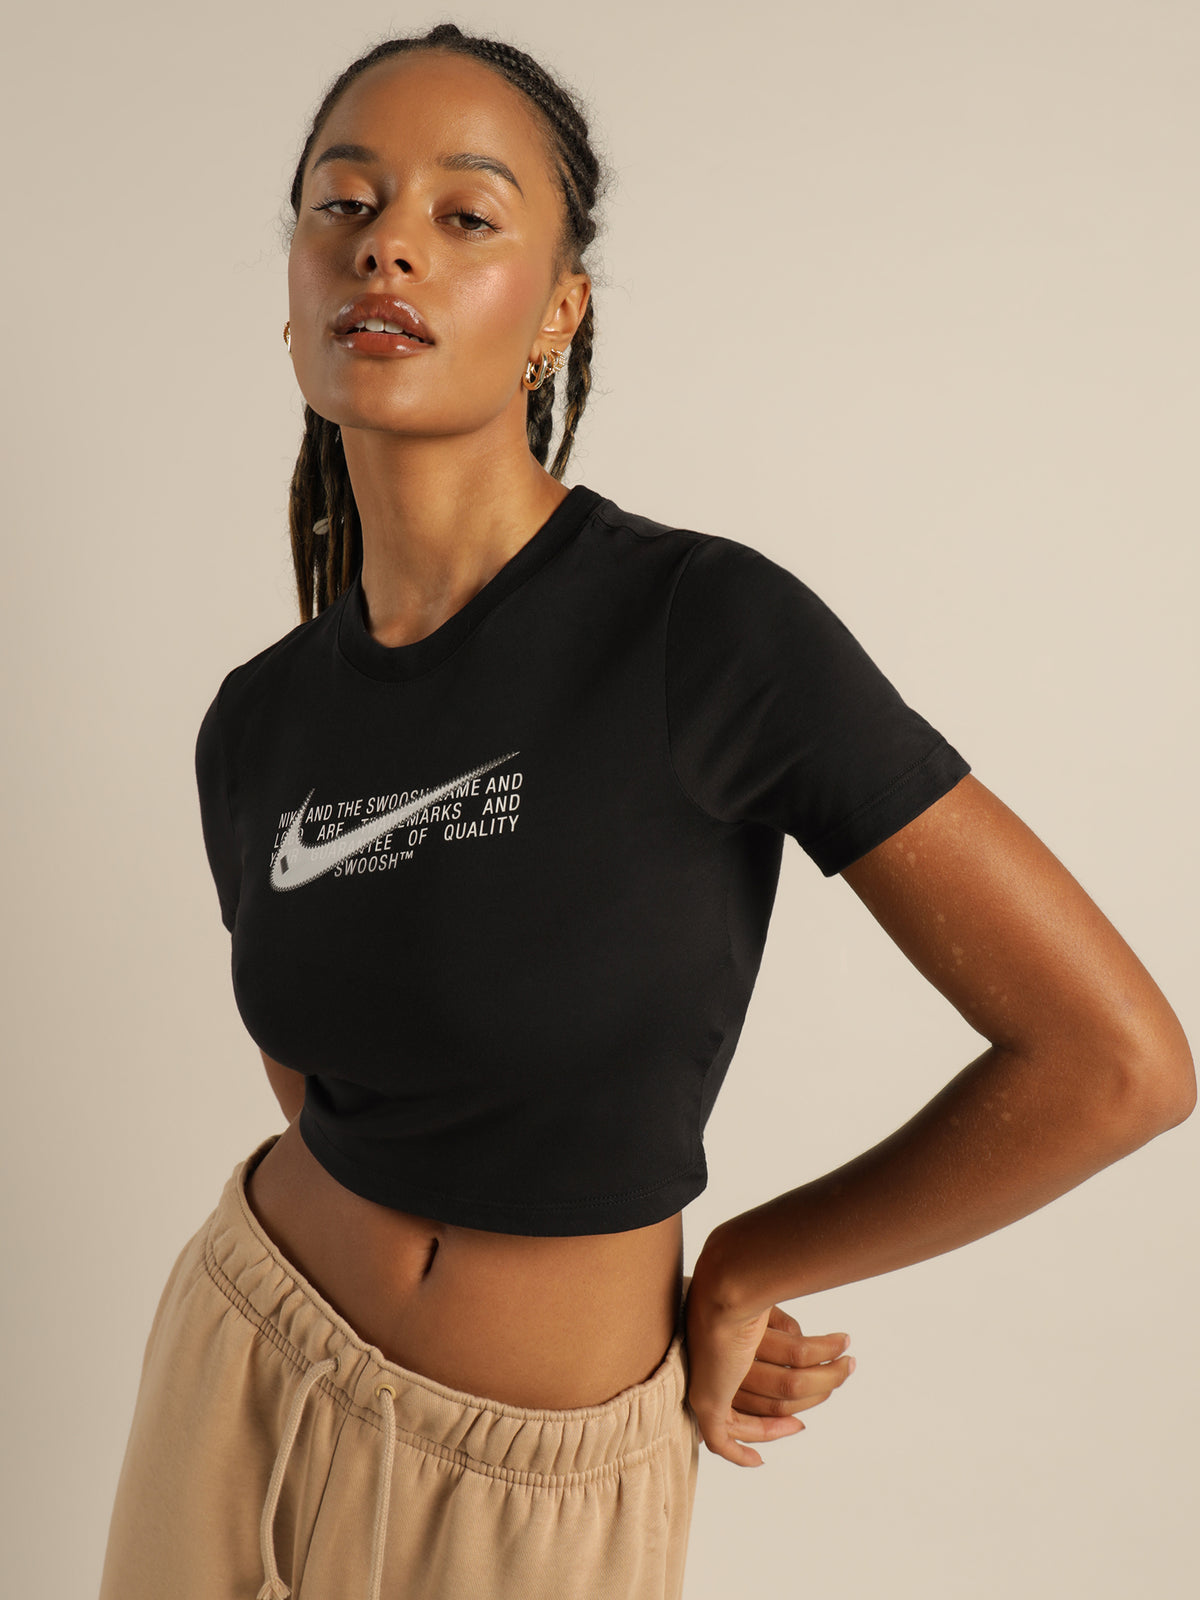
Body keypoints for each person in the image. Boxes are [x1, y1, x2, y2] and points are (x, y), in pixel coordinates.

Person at [98, 20, 1195, 1600]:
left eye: (465, 214)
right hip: (240, 1374)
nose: (387, 242)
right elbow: (334, 1091)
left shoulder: (705, 631)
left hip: (535, 1498)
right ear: (292, 295)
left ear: (559, 312)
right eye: (344, 203)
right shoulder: (255, 723)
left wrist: (746, 1265)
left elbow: (1116, 1064)